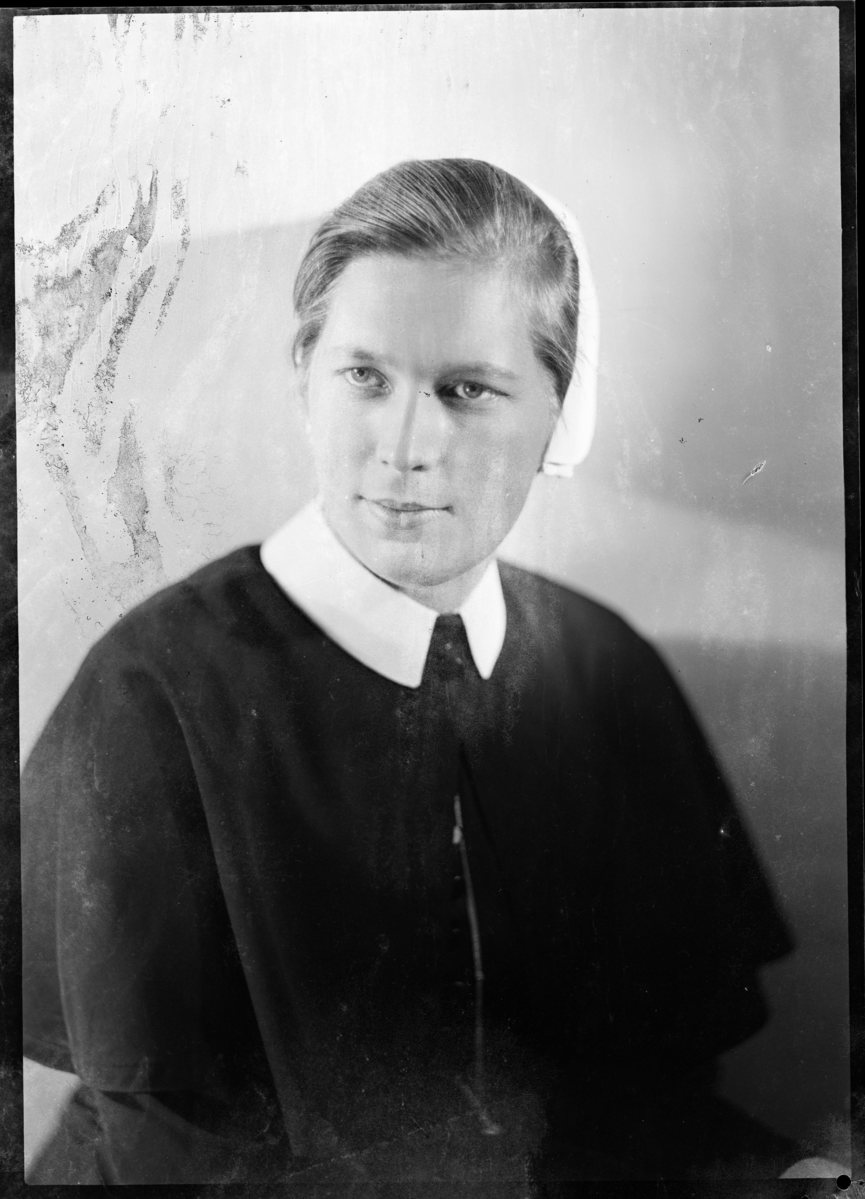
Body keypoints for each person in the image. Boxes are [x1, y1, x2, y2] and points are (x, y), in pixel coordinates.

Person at [22, 158, 802, 1187]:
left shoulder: (604, 668)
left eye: (466, 390)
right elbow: (167, 1155)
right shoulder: (152, 693)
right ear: (304, 378)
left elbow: (657, 1098)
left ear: (558, 413)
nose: (404, 446)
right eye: (364, 377)